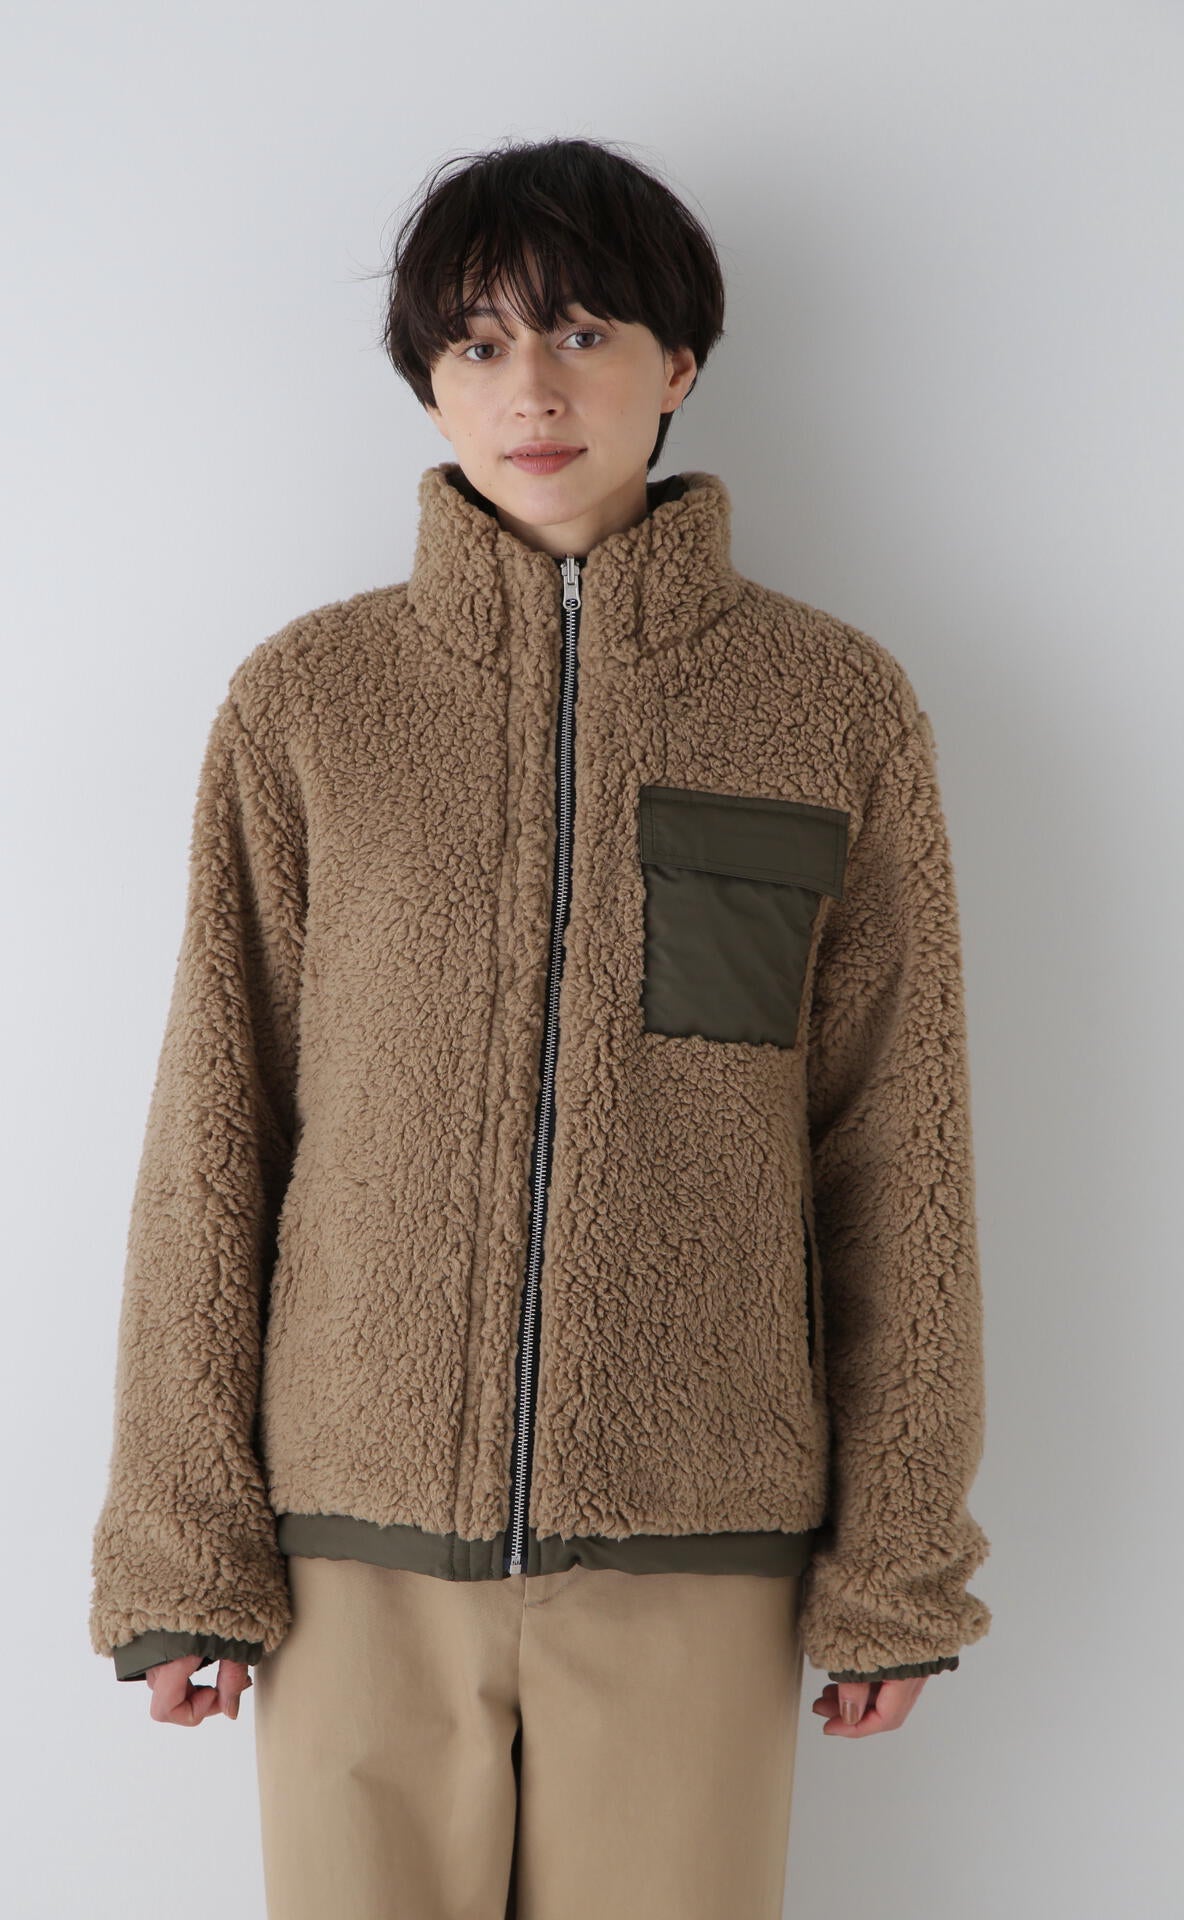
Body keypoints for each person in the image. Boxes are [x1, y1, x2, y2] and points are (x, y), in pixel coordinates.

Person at [89, 135, 992, 1918]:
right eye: (480, 342)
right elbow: (215, 1130)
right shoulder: (312, 703)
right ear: (430, 382)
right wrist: (184, 1549)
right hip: (350, 1557)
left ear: (680, 364)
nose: (534, 389)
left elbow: (903, 1152)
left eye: (584, 332)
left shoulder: (832, 706)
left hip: (698, 1548)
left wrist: (896, 1564)